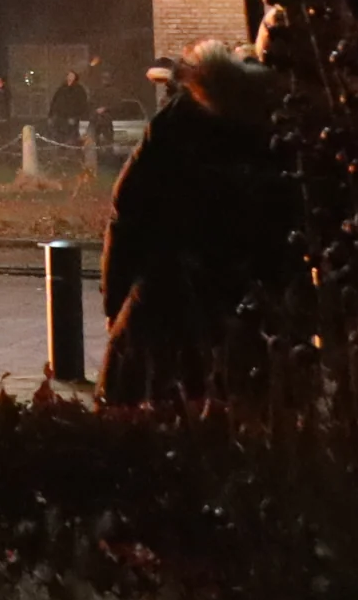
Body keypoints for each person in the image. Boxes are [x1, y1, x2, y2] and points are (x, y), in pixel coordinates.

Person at [98, 42, 291, 407]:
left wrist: (116, 302)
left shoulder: (176, 124)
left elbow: (128, 217)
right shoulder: (281, 129)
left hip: (163, 305)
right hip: (251, 318)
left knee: (138, 426)